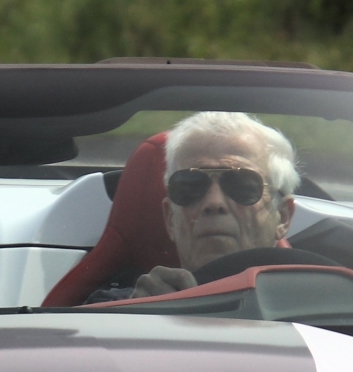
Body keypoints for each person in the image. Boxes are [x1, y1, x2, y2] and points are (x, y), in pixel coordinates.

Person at [99, 111, 308, 299]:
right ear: (170, 218)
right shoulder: (114, 311)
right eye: (191, 186)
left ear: (283, 216)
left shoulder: (318, 308)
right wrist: (142, 316)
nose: (213, 202)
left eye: (242, 185)